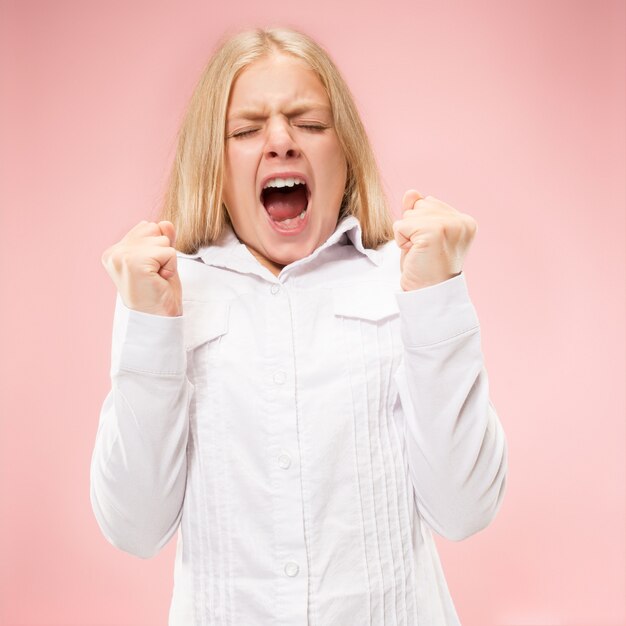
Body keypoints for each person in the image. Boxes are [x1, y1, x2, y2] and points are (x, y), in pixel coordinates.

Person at [90, 26, 507, 626]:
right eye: (246, 129)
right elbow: (134, 527)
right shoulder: (168, 293)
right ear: (214, 158)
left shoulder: (407, 277)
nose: (282, 141)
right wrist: (147, 326)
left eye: (310, 124)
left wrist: (438, 295)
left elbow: (465, 508)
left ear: (346, 151)